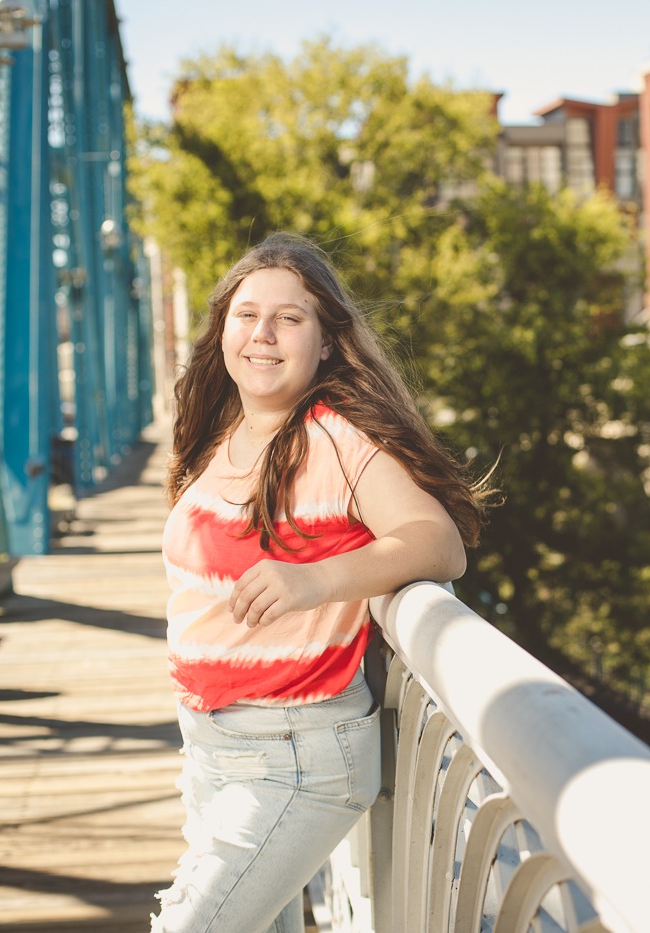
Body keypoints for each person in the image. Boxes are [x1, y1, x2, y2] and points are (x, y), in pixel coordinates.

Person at [152, 232, 490, 933]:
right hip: (213, 745)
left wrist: (314, 580)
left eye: (290, 318)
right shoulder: (221, 434)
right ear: (223, 330)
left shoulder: (336, 437)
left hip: (297, 756)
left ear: (328, 342)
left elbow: (439, 542)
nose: (263, 334)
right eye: (246, 315)